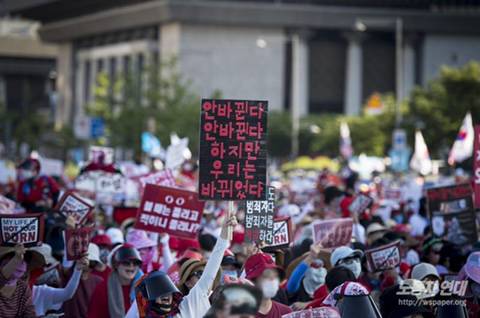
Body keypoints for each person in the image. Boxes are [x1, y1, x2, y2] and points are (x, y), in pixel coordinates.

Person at [125, 214, 236, 318]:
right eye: (159, 292)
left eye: (169, 291)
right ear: (148, 299)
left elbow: (210, 271)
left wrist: (223, 236)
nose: (167, 297)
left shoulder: (188, 305)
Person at [88, 244, 143, 318]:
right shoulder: (102, 289)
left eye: (136, 263)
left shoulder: (143, 288)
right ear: (116, 265)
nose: (131, 266)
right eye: (126, 263)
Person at [0, 244, 44, 318]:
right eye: (13, 257)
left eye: (26, 258)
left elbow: (29, 314)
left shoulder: (23, 288)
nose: (21, 261)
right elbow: (2, 278)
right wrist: (16, 259)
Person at [243, 253, 293, 318]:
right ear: (252, 281)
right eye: (267, 276)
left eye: (275, 276)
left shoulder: (286, 313)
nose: (273, 281)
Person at [286, 243, 328, 309]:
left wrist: (308, 304)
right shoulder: (299, 287)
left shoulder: (328, 289)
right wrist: (311, 257)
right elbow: (293, 282)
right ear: (305, 270)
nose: (320, 269)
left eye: (323, 266)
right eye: (315, 265)